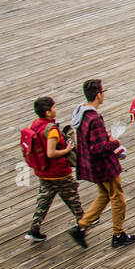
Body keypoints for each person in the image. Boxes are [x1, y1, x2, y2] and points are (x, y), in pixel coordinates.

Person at [70, 79, 135, 248]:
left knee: (104, 195)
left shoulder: (82, 114)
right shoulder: (94, 118)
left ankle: (81, 227)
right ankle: (118, 234)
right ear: (99, 95)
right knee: (118, 198)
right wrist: (115, 143)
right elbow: (97, 148)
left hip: (93, 165)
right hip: (105, 166)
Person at [22, 96, 85, 243]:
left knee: (44, 200)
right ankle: (84, 221)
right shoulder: (51, 130)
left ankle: (34, 229)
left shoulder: (35, 125)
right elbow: (51, 153)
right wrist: (68, 149)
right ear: (47, 112)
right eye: (53, 108)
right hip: (58, 171)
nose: (55, 110)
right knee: (72, 197)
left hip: (43, 171)